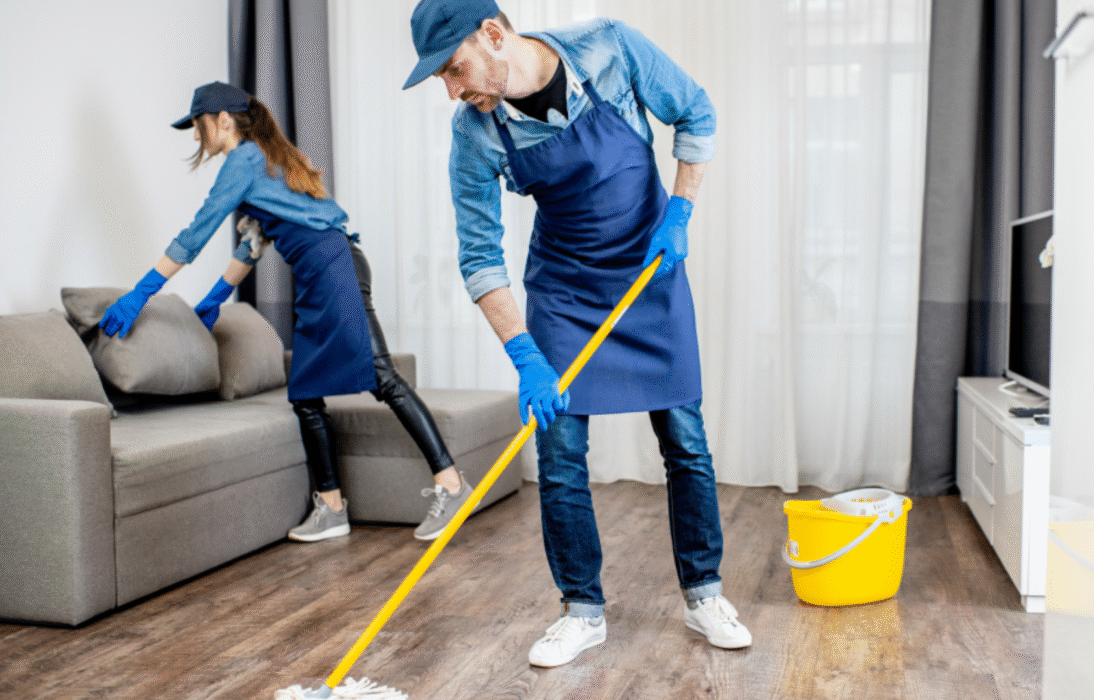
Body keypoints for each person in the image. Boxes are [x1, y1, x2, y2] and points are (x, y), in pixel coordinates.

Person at [404, 0, 752, 667]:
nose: (452, 90)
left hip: (650, 271)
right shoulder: (475, 132)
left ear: (494, 35)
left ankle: (703, 592)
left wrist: (679, 211)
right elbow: (479, 255)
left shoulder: (608, 49)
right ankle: (581, 609)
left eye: (454, 69)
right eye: (442, 80)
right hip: (565, 290)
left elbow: (696, 110)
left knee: (684, 436)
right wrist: (525, 354)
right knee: (561, 451)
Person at [99, 81, 470, 543]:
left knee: (381, 376)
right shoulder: (266, 161)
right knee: (305, 394)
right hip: (322, 272)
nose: (196, 137)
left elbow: (196, 233)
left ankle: (451, 484)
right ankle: (331, 507)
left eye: (198, 125)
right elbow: (253, 243)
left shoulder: (245, 159)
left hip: (332, 268)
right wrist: (214, 298)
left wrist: (141, 293)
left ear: (223, 121)